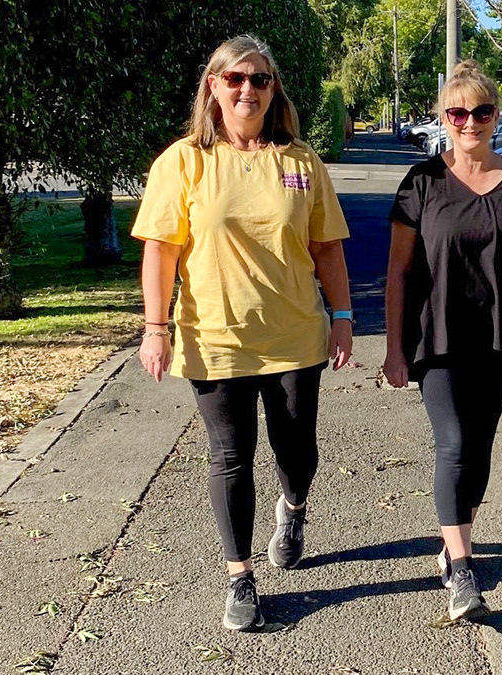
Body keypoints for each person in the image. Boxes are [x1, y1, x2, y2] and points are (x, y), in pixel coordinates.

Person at [132, 35, 352, 632]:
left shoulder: (301, 162)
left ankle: (294, 507)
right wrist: (155, 329)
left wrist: (343, 317)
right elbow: (161, 250)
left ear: (273, 88)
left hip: (294, 335)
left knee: (295, 451)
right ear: (214, 86)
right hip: (215, 336)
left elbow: (326, 247)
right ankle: (240, 577)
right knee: (231, 457)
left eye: (258, 79)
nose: (247, 89)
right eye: (235, 79)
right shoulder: (182, 161)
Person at [383, 60, 502, 622]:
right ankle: (461, 569)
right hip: (437, 335)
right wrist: (392, 345)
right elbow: (400, 272)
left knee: (478, 452)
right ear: (443, 118)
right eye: (457, 112)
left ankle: (455, 538)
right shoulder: (423, 183)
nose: (469, 122)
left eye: (480, 111)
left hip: (501, 336)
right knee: (453, 444)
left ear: (495, 116)